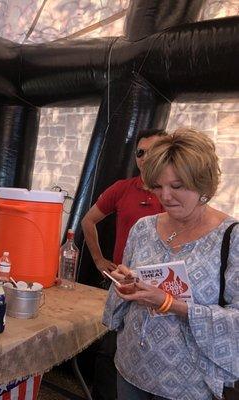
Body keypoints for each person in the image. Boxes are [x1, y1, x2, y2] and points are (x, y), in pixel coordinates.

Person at [103, 128, 238, 400]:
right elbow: (126, 288)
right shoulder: (143, 228)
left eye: (177, 187)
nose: (164, 197)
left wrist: (169, 303)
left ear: (203, 184)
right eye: (157, 186)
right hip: (132, 365)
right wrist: (127, 282)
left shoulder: (231, 238)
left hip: (190, 382)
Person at [81, 128, 166, 400]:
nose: (145, 157)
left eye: (153, 150)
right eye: (140, 152)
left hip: (161, 290)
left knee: (154, 354)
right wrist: (98, 260)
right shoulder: (122, 189)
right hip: (123, 284)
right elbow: (88, 221)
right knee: (109, 351)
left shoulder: (173, 195)